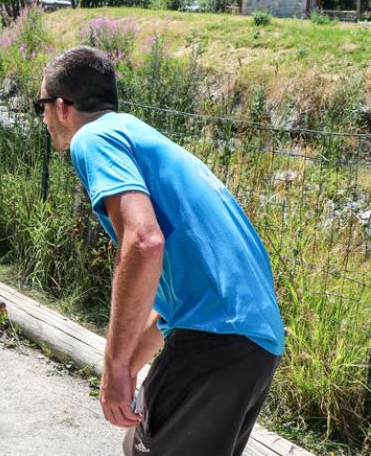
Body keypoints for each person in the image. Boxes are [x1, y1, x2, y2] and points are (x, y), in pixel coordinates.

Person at [37, 46, 285, 456]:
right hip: (253, 347)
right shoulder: (141, 136)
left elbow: (144, 242)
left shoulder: (93, 138)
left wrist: (113, 367)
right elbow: (178, 297)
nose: (43, 119)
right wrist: (130, 367)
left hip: (213, 342)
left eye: (40, 106)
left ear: (62, 107)